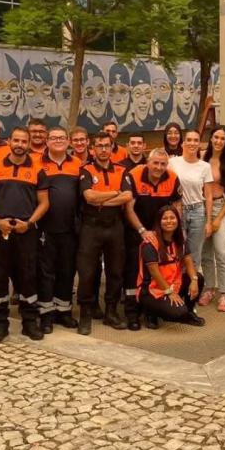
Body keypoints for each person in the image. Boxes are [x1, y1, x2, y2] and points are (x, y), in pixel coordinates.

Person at [0, 126, 49, 342]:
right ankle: (0, 323)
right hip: (1, 230)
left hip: (26, 231)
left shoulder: (38, 170)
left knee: (28, 276)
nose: (20, 145)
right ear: (9, 141)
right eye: (16, 140)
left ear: (28, 144)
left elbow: (44, 202)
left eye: (24, 141)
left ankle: (29, 322)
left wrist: (29, 223)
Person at [76, 132, 132, 333]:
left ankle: (111, 312)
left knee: (115, 271)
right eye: (99, 146)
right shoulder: (86, 170)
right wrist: (115, 193)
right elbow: (89, 197)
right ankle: (85, 314)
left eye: (107, 145)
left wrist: (103, 201)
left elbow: (128, 196)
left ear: (112, 147)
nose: (103, 149)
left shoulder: (122, 170)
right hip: (91, 227)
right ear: (92, 149)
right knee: (87, 272)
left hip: (115, 226)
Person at [124, 149, 182, 330]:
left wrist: (172, 230)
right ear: (147, 163)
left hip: (161, 233)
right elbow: (128, 208)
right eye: (155, 163)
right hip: (136, 230)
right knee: (133, 273)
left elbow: (177, 206)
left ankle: (151, 312)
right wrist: (142, 231)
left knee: (157, 273)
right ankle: (132, 312)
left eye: (163, 164)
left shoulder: (173, 177)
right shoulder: (134, 175)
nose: (159, 167)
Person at [37, 127, 82, 333]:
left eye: (62, 138)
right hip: (45, 228)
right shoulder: (38, 163)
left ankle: (63, 311)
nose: (58, 141)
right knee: (46, 273)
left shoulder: (77, 164)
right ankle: (46, 314)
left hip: (70, 229)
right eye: (53, 138)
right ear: (46, 141)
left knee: (67, 270)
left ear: (68, 141)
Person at [136, 206, 205, 329]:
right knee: (178, 312)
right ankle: (150, 312)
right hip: (151, 291)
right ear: (159, 222)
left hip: (172, 284)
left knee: (198, 278)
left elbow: (189, 261)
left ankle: (189, 312)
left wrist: (194, 281)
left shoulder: (179, 240)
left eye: (172, 218)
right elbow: (155, 273)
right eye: (165, 218)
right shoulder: (150, 243)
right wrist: (170, 293)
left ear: (178, 220)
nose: (169, 221)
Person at [169, 130, 212, 288]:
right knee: (178, 250)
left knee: (194, 253)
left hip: (198, 211)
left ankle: (192, 288)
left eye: (196, 140)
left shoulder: (205, 166)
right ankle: (177, 287)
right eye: (189, 140)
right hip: (178, 211)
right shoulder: (173, 163)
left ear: (199, 144)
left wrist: (209, 221)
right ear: (183, 143)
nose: (192, 143)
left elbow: (208, 194)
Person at [201, 125, 225, 312]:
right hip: (201, 208)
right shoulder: (202, 158)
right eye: (216, 137)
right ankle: (209, 288)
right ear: (211, 138)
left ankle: (224, 292)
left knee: (222, 252)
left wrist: (218, 218)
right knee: (205, 253)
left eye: (222, 138)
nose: (218, 141)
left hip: (219, 207)